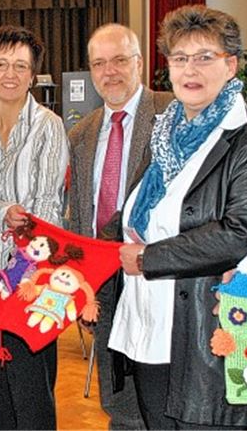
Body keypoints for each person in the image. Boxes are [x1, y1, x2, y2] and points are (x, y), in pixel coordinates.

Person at [113, 5, 247, 429]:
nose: (191, 69)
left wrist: (148, 258)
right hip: (148, 330)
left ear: (230, 65)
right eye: (180, 58)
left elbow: (240, 235)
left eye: (205, 56)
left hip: (206, 339)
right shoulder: (165, 134)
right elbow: (140, 216)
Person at [67, 23, 173, 430]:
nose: (109, 72)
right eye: (99, 63)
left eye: (119, 60)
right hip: (104, 281)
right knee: (119, 399)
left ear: (140, 63)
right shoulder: (82, 133)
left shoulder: (172, 114)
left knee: (161, 399)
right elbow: (80, 214)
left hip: (158, 278)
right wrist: (81, 278)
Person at [0, 25, 68, 430]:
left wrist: (1, 211)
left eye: (20, 66)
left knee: (32, 383)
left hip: (32, 276)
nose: (10, 74)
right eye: (1, 64)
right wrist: (4, 209)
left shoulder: (49, 125)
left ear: (33, 74)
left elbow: (45, 207)